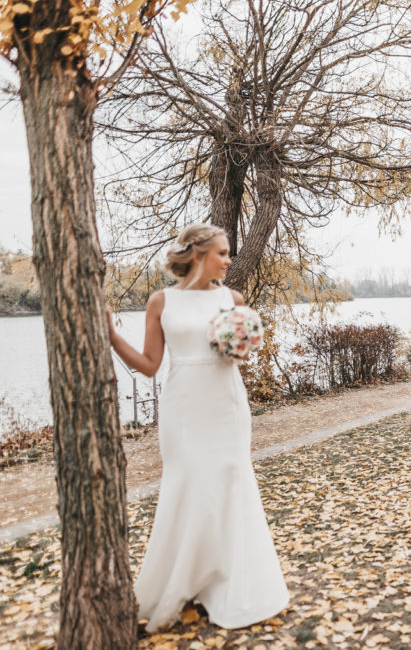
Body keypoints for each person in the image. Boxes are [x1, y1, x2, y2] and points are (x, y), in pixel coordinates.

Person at [108, 223, 289, 632]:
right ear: (199, 254)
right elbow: (150, 364)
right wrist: (111, 337)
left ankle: (229, 586)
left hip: (225, 404)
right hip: (183, 407)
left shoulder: (233, 299)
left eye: (229, 253)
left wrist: (241, 344)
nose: (229, 260)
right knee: (188, 484)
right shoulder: (161, 301)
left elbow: (240, 351)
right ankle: (182, 581)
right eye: (223, 253)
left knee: (229, 484)